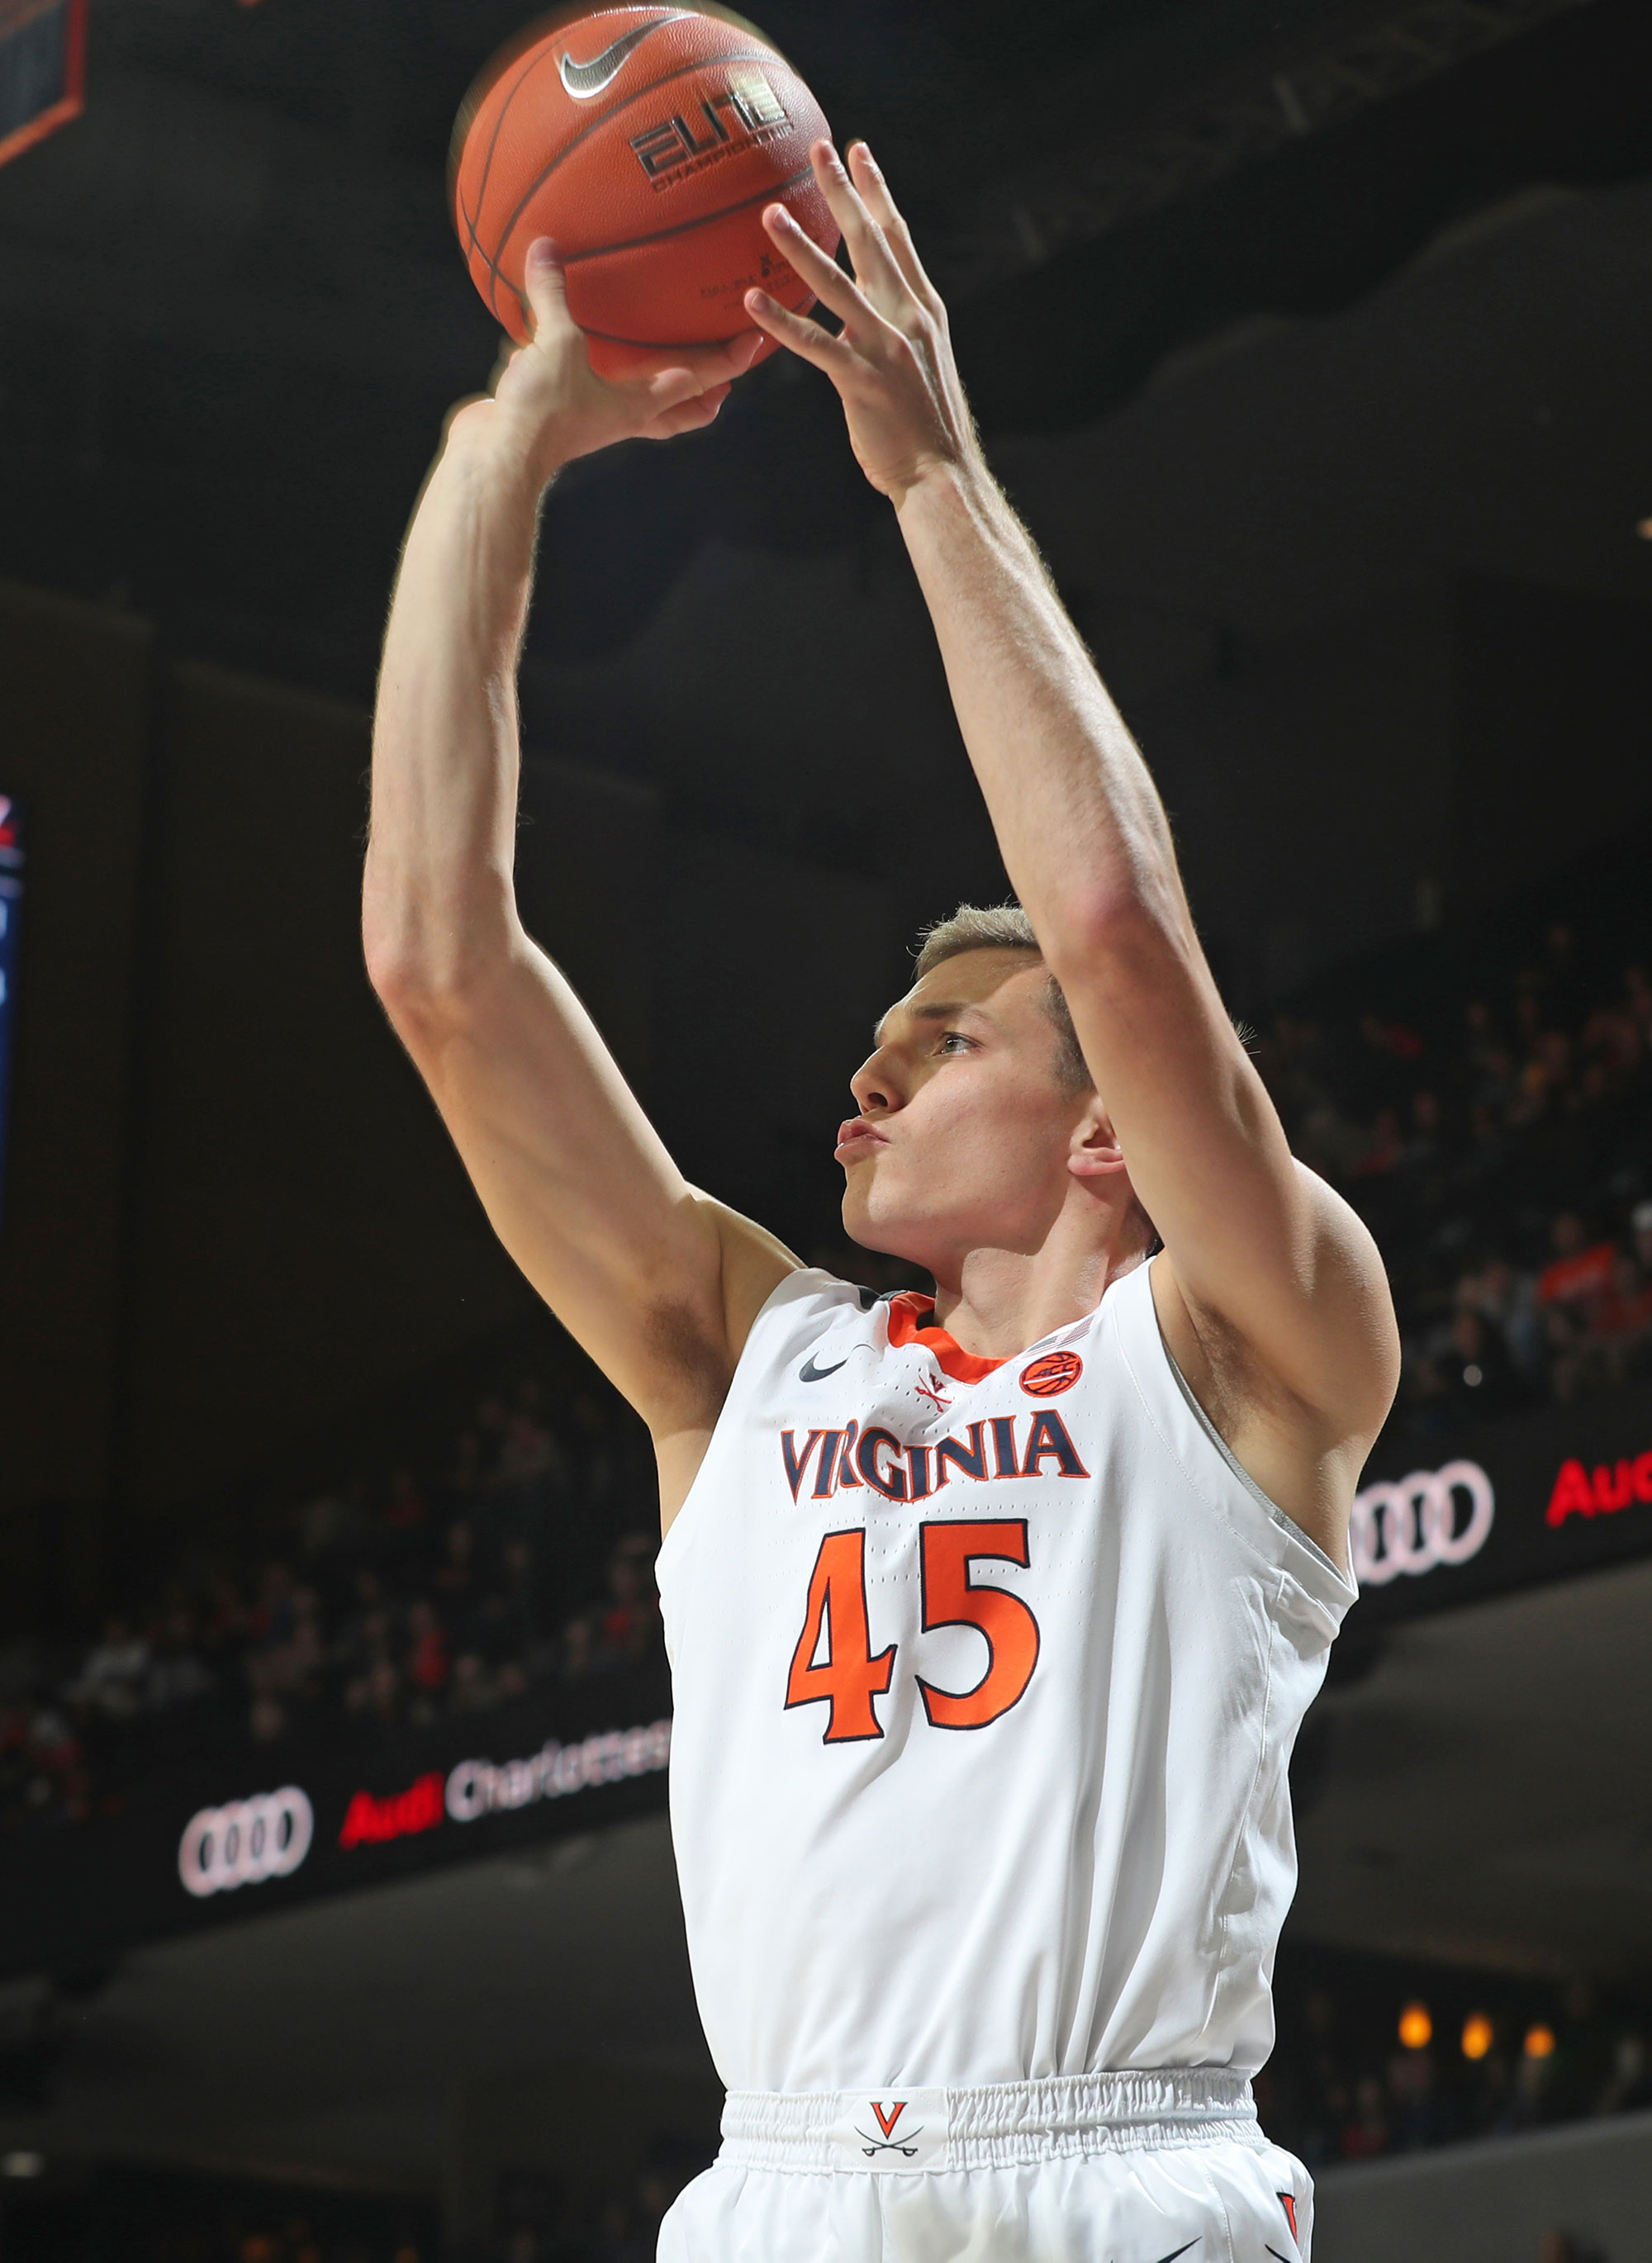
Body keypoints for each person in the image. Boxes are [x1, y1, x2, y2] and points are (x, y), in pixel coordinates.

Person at [365, 138, 1398, 2263]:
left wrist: (930, 474)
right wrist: (502, 455)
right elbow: (435, 962)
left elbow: (1109, 918)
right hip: (781, 2184)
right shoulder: (741, 1360)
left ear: (1108, 1127)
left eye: (947, 1040)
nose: (869, 1071)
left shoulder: (1247, 1342)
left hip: (1124, 2168)